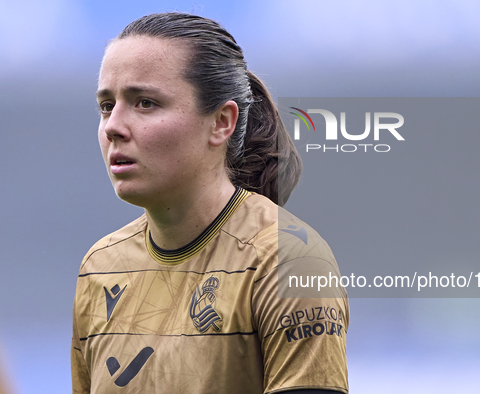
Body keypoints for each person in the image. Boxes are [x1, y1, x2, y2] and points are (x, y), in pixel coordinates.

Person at [71, 12, 349, 394]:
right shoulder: (99, 266)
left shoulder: (289, 260)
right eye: (106, 106)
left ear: (221, 122)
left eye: (145, 103)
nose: (113, 127)